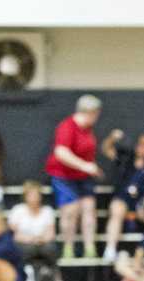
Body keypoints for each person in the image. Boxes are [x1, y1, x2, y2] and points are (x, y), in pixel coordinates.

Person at [45, 95, 104, 260]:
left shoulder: (88, 130)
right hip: (64, 175)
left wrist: (90, 167)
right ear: (90, 112)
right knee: (70, 211)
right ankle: (68, 248)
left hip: (84, 177)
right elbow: (61, 152)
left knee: (89, 210)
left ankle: (89, 248)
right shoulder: (67, 126)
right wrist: (84, 165)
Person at [102, 130, 144, 264]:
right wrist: (112, 137)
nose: (141, 147)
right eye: (140, 143)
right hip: (122, 198)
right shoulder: (125, 157)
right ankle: (110, 250)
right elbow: (106, 149)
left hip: (140, 201)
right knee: (116, 210)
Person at [8, 180, 62, 281]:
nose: (34, 197)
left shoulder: (47, 211)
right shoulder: (18, 210)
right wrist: (31, 239)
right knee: (25, 249)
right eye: (31, 195)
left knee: (50, 248)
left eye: (36, 194)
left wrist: (40, 239)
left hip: (43, 242)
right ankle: (27, 277)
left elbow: (50, 233)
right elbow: (14, 234)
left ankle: (55, 275)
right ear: (25, 196)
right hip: (24, 243)